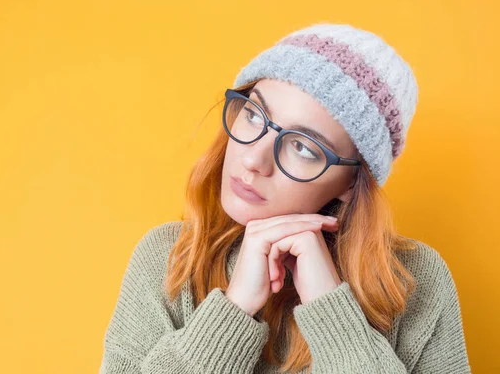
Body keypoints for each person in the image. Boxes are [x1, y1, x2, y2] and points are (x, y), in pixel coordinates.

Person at [99, 23, 471, 373]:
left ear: (351, 182)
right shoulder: (169, 258)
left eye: (303, 148)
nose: (253, 159)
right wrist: (233, 310)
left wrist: (334, 318)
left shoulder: (413, 281)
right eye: (255, 114)